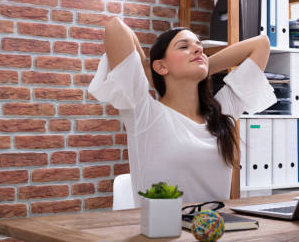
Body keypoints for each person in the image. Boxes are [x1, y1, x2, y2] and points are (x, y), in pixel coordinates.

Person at [89, 17, 276, 204]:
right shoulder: (144, 113)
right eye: (183, 46)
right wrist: (147, 68)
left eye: (198, 46)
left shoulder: (220, 113)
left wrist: (202, 64)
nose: (198, 49)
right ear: (161, 66)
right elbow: (115, 27)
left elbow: (261, 44)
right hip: (163, 230)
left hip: (214, 230)